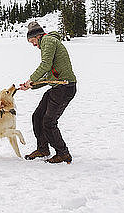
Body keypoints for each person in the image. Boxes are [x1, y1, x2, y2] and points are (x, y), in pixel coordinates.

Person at [19, 21, 77, 164]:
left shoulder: (48, 41)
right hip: (58, 87)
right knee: (37, 116)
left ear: (38, 36)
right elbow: (48, 76)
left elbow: (45, 65)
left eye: (32, 41)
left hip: (65, 88)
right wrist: (31, 85)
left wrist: (30, 79)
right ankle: (43, 149)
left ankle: (63, 153)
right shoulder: (47, 42)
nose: (33, 44)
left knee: (49, 122)